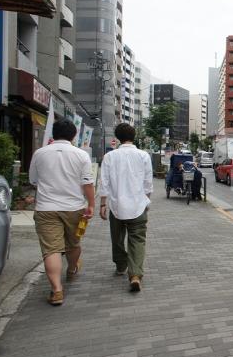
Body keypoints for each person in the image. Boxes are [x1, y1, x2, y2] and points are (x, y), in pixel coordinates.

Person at [29, 119, 95, 306]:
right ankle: (72, 268)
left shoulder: (39, 153)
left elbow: (33, 180)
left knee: (51, 250)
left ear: (53, 134)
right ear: (74, 135)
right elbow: (87, 183)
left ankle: (57, 290)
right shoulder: (81, 155)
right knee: (73, 244)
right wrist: (91, 204)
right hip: (74, 207)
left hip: (45, 208)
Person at [99, 123, 153, 292]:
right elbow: (148, 184)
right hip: (138, 205)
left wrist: (102, 204)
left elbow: (104, 182)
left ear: (117, 138)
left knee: (117, 237)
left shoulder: (110, 157)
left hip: (116, 206)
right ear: (134, 136)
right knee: (137, 240)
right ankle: (135, 274)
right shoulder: (143, 156)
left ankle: (121, 265)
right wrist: (146, 201)